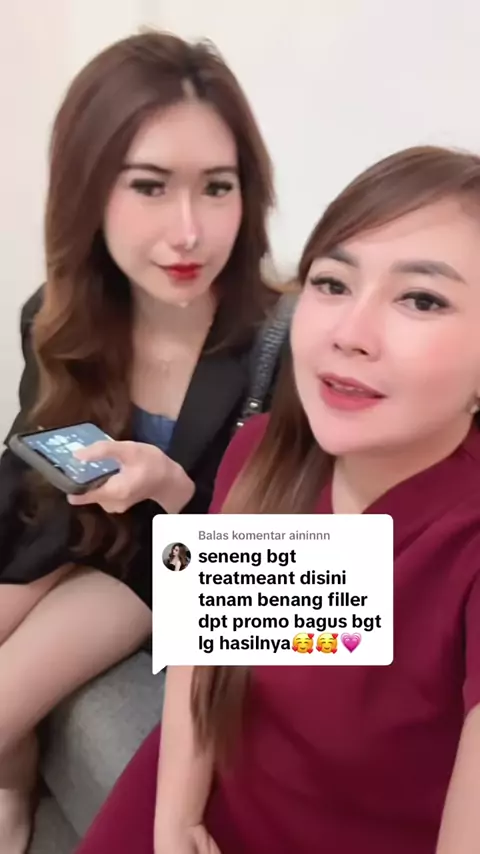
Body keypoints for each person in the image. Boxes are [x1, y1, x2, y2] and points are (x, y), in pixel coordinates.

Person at [75, 145, 480, 854]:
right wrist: (176, 820)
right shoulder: (265, 451)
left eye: (422, 299)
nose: (349, 334)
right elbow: (207, 649)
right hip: (200, 795)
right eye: (332, 283)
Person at [0, 29, 279, 853]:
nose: (188, 232)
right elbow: (32, 451)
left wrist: (170, 489)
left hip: (159, 561)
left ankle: (12, 788)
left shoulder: (282, 349)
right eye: (150, 186)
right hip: (63, 524)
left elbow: (267, 568)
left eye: (217, 187)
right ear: (89, 189)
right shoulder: (58, 311)